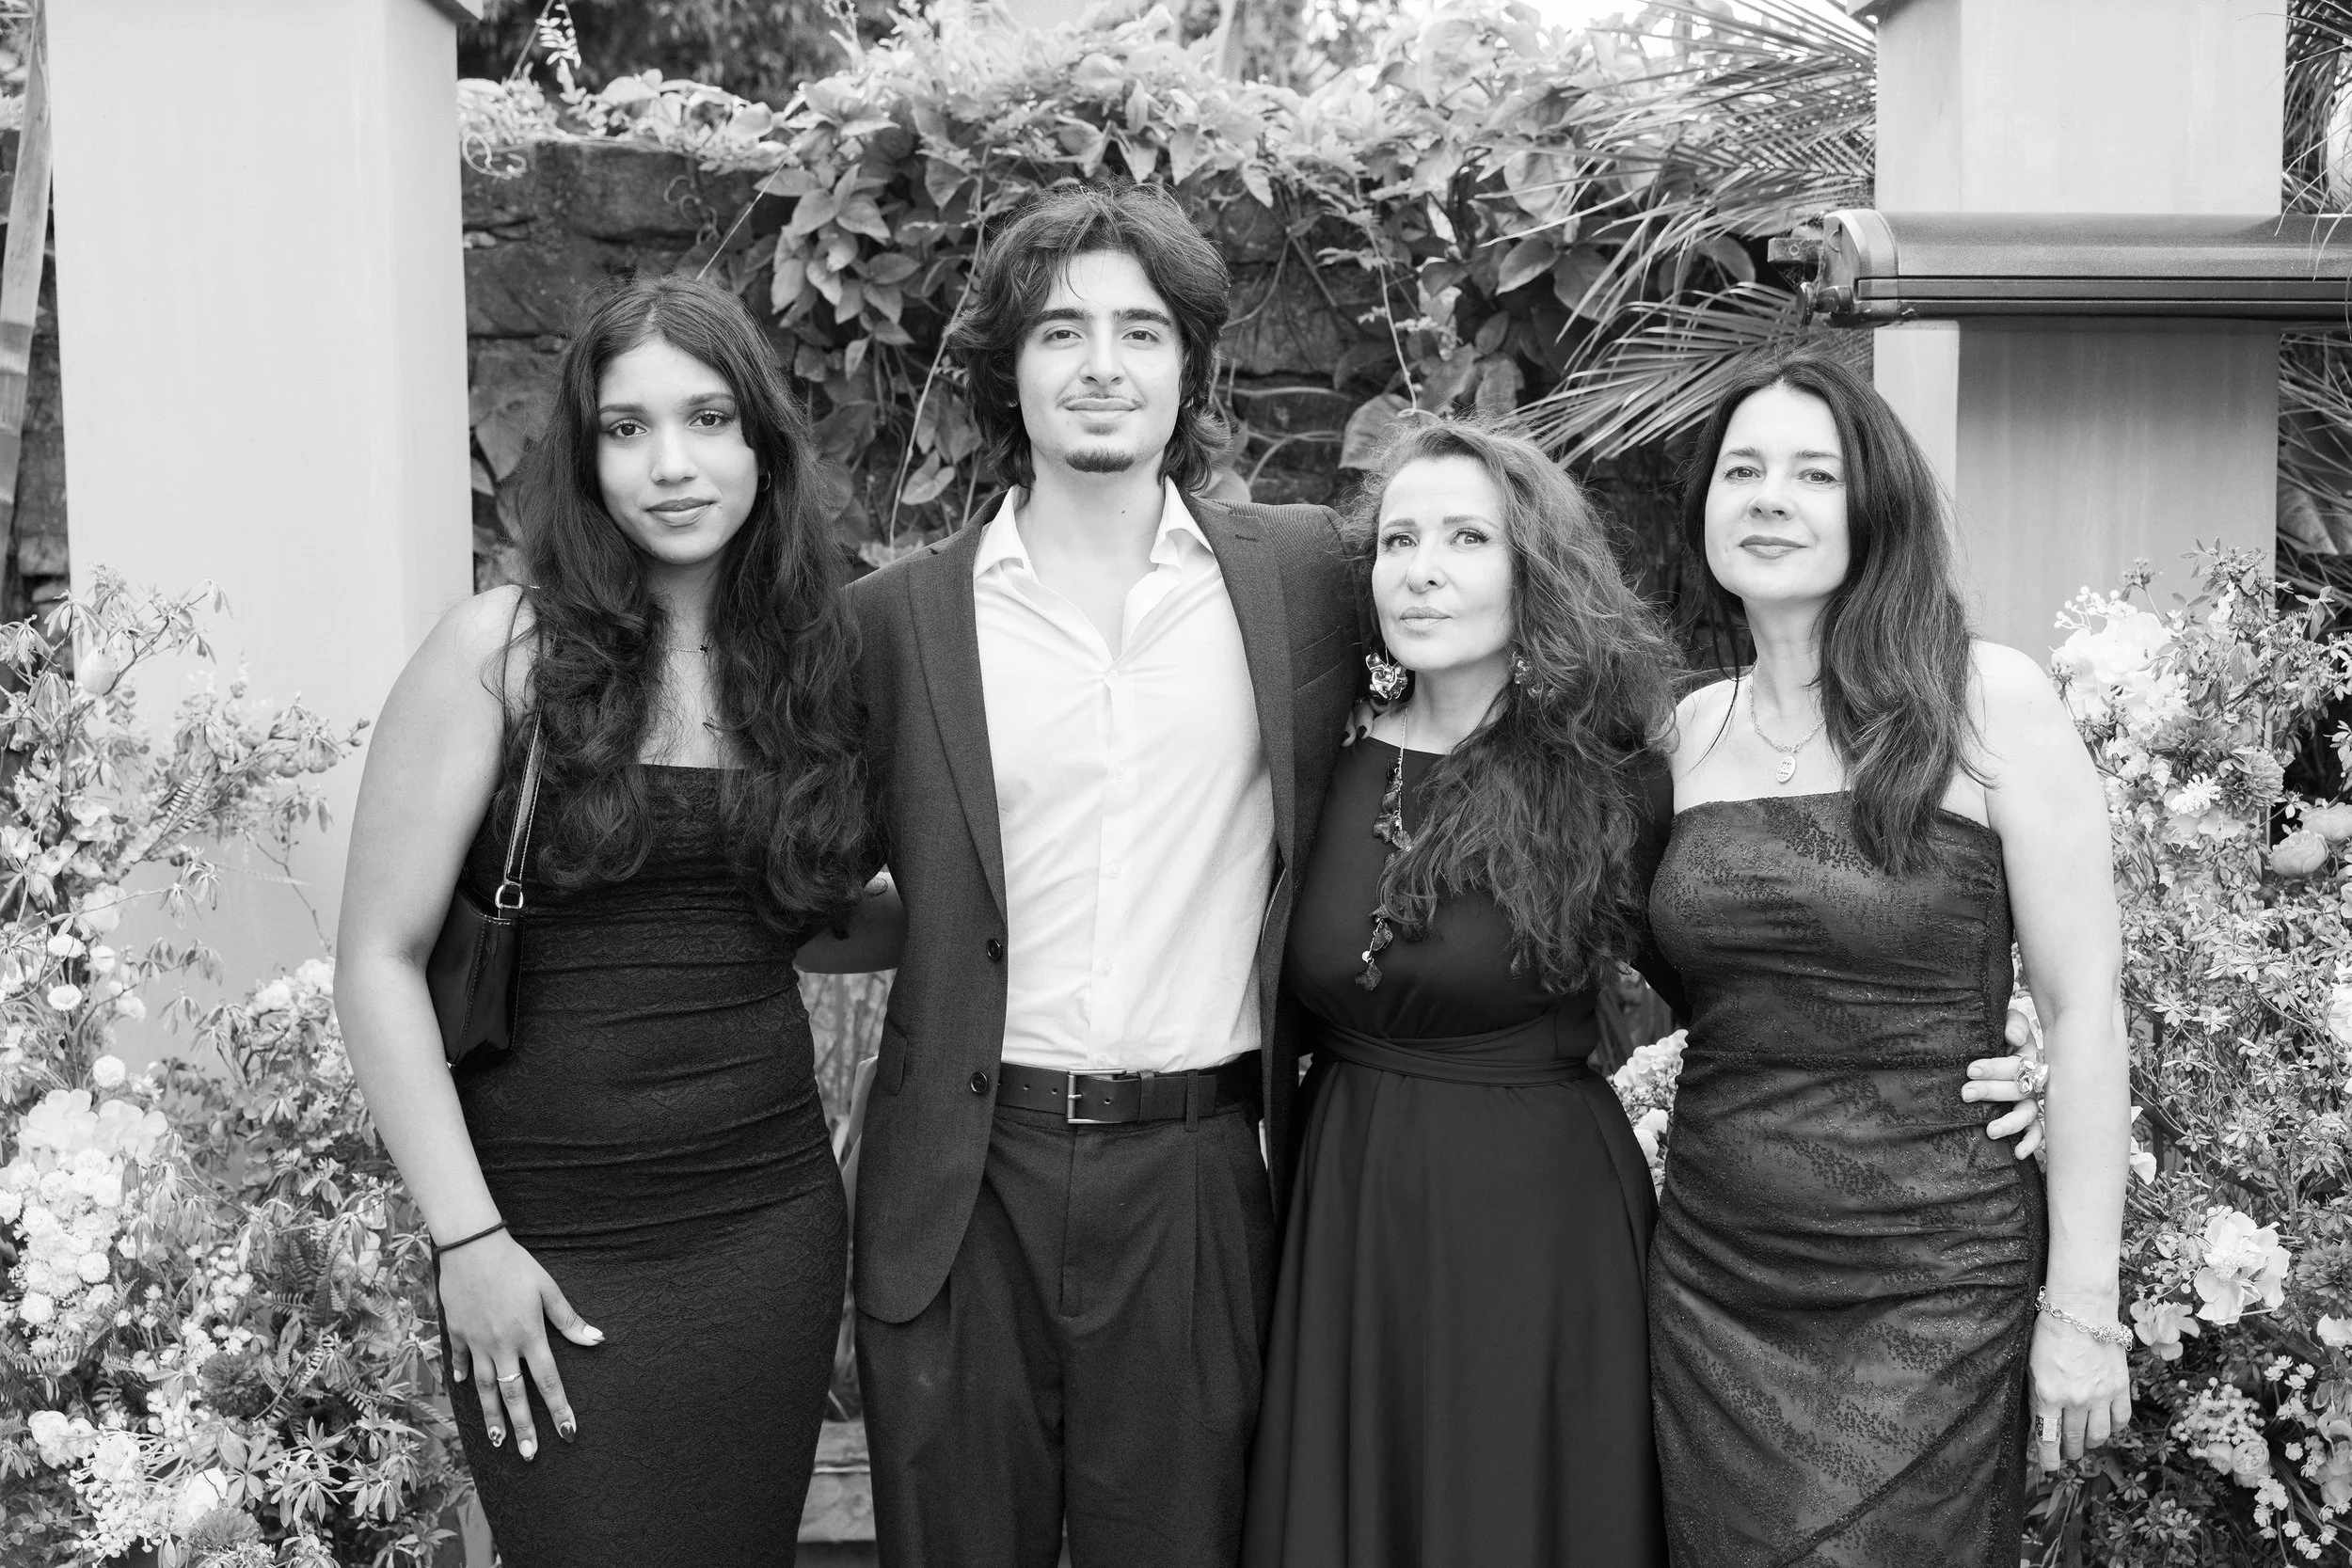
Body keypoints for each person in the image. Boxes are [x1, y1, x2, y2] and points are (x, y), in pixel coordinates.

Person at [1238, 416, 2048, 1568]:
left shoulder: (1616, 771)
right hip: (1346, 1204)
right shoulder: (1314, 758)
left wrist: (2008, 1053)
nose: (1421, 568)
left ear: (1532, 568)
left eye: (1466, 537)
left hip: (1539, 1224)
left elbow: (1742, 973)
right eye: (1398, 540)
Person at [844, 182, 1359, 1568]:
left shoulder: (1305, 578)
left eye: (1140, 331)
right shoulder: (894, 621)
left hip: (1198, 1175)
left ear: (1189, 363)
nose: (1102, 365)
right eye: (1061, 330)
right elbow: (804, 876)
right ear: (1009, 366)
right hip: (964, 1180)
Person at [337, 275, 878, 1566]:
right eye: (626, 428)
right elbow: (377, 960)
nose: (670, 463)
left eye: (707, 419)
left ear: (763, 444)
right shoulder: (500, 651)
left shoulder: (805, 668)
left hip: (768, 1228)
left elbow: (794, 919)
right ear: (584, 459)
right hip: (545, 1240)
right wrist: (468, 1239)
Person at [1645, 349, 2133, 1566]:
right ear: (1703, 505)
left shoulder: (1988, 703)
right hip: (1714, 1273)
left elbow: (2082, 1008)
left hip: (1931, 1276)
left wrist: (2084, 1307)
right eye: (1742, 471)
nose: (1770, 498)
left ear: (1875, 507)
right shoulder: (1684, 735)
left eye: (1813, 473)